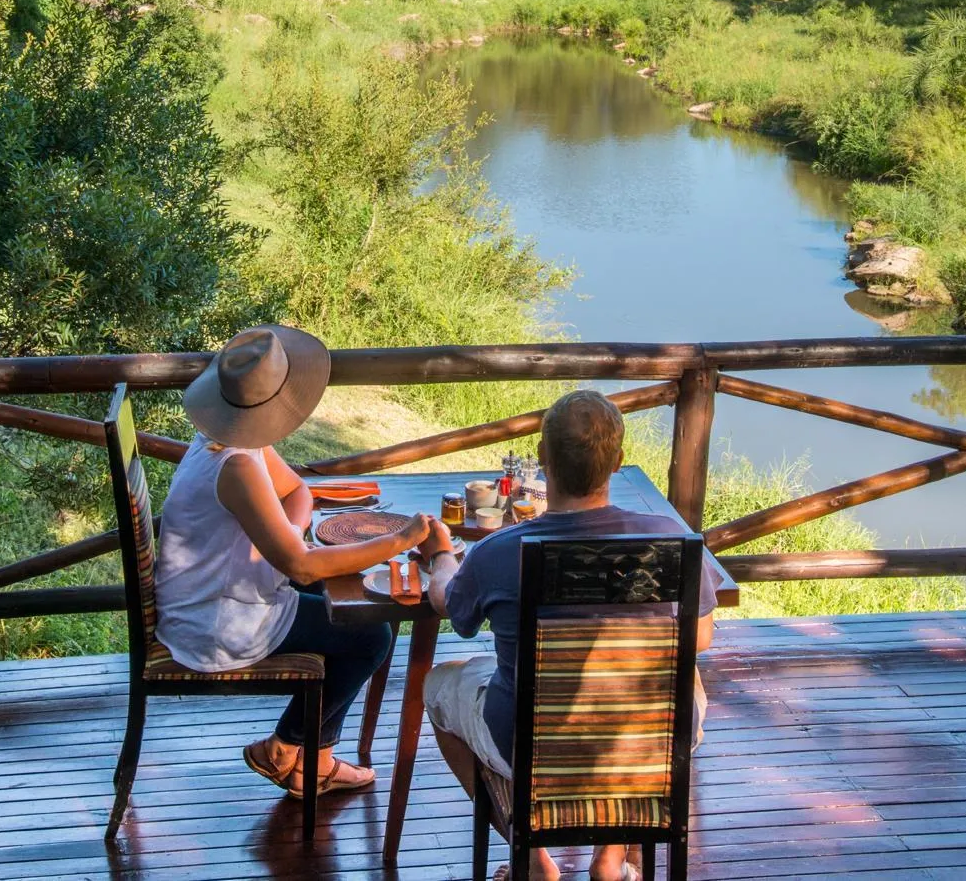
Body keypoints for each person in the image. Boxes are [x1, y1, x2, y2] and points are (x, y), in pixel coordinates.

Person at [423, 390, 720, 881]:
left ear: (543, 458)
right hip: (649, 747)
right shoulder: (669, 539)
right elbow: (702, 637)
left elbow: (452, 608)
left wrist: (440, 557)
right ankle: (611, 857)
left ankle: (535, 861)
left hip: (531, 747)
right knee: (679, 667)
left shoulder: (499, 551)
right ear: (619, 461)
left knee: (438, 684)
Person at [155, 323, 440, 798]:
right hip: (215, 619)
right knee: (370, 635)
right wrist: (403, 538)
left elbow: (297, 490)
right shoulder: (238, 466)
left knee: (350, 610)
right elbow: (303, 567)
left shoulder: (226, 441)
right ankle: (285, 746)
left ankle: (317, 764)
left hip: (221, 595)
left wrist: (287, 536)